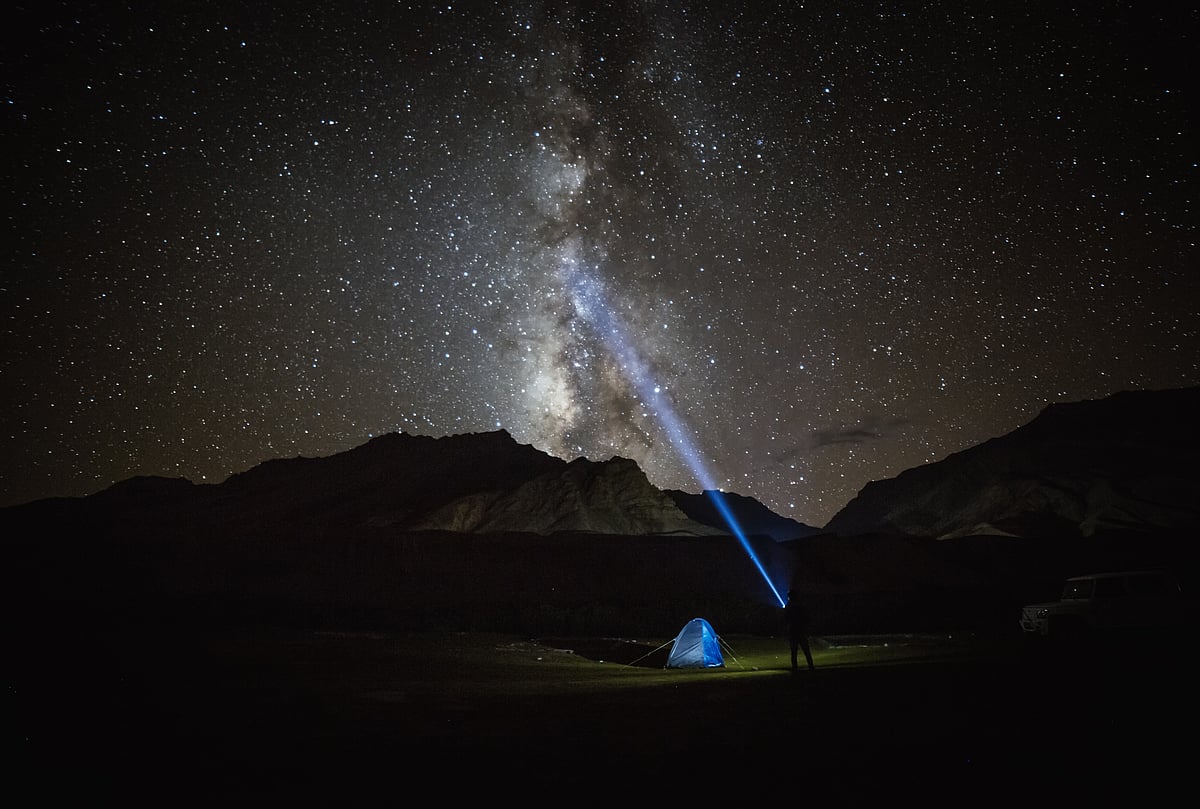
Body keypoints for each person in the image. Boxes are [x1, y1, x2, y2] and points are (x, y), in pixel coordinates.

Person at [785, 589, 815, 672]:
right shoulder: (801, 605)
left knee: (794, 652)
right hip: (801, 631)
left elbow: (786, 619)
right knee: (806, 651)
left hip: (793, 631)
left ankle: (795, 668)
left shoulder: (789, 606)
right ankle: (811, 666)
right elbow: (807, 617)